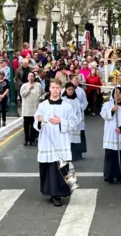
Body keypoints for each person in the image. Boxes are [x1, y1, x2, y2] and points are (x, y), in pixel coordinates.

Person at [34, 79, 77, 207]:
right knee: (49, 169)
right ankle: (52, 193)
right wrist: (40, 121)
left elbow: (74, 123)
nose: (55, 90)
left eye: (57, 88)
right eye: (53, 87)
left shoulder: (67, 106)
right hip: (47, 141)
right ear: (49, 89)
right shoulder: (43, 106)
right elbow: (36, 123)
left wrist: (61, 121)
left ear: (61, 89)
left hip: (61, 141)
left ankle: (59, 193)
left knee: (60, 169)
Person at [101, 87, 121, 183]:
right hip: (111, 133)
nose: (118, 96)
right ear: (112, 95)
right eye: (116, 93)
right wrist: (111, 110)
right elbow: (103, 115)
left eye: (120, 93)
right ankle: (110, 175)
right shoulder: (107, 105)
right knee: (111, 154)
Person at [62, 82, 84, 161]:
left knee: (74, 141)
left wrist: (77, 121)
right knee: (66, 141)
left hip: (75, 124)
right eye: (69, 90)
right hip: (66, 123)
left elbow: (79, 112)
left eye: (72, 90)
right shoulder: (63, 100)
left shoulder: (76, 100)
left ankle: (75, 156)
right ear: (66, 90)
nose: (70, 91)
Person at [21, 72, 44, 146]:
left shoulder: (38, 85)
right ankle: (26, 139)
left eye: (32, 76)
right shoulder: (24, 85)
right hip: (27, 109)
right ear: (27, 77)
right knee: (26, 125)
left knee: (34, 125)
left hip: (35, 108)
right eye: (29, 76)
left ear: (34, 77)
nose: (30, 77)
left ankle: (32, 140)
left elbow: (43, 94)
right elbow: (22, 95)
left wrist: (41, 98)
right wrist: (28, 88)